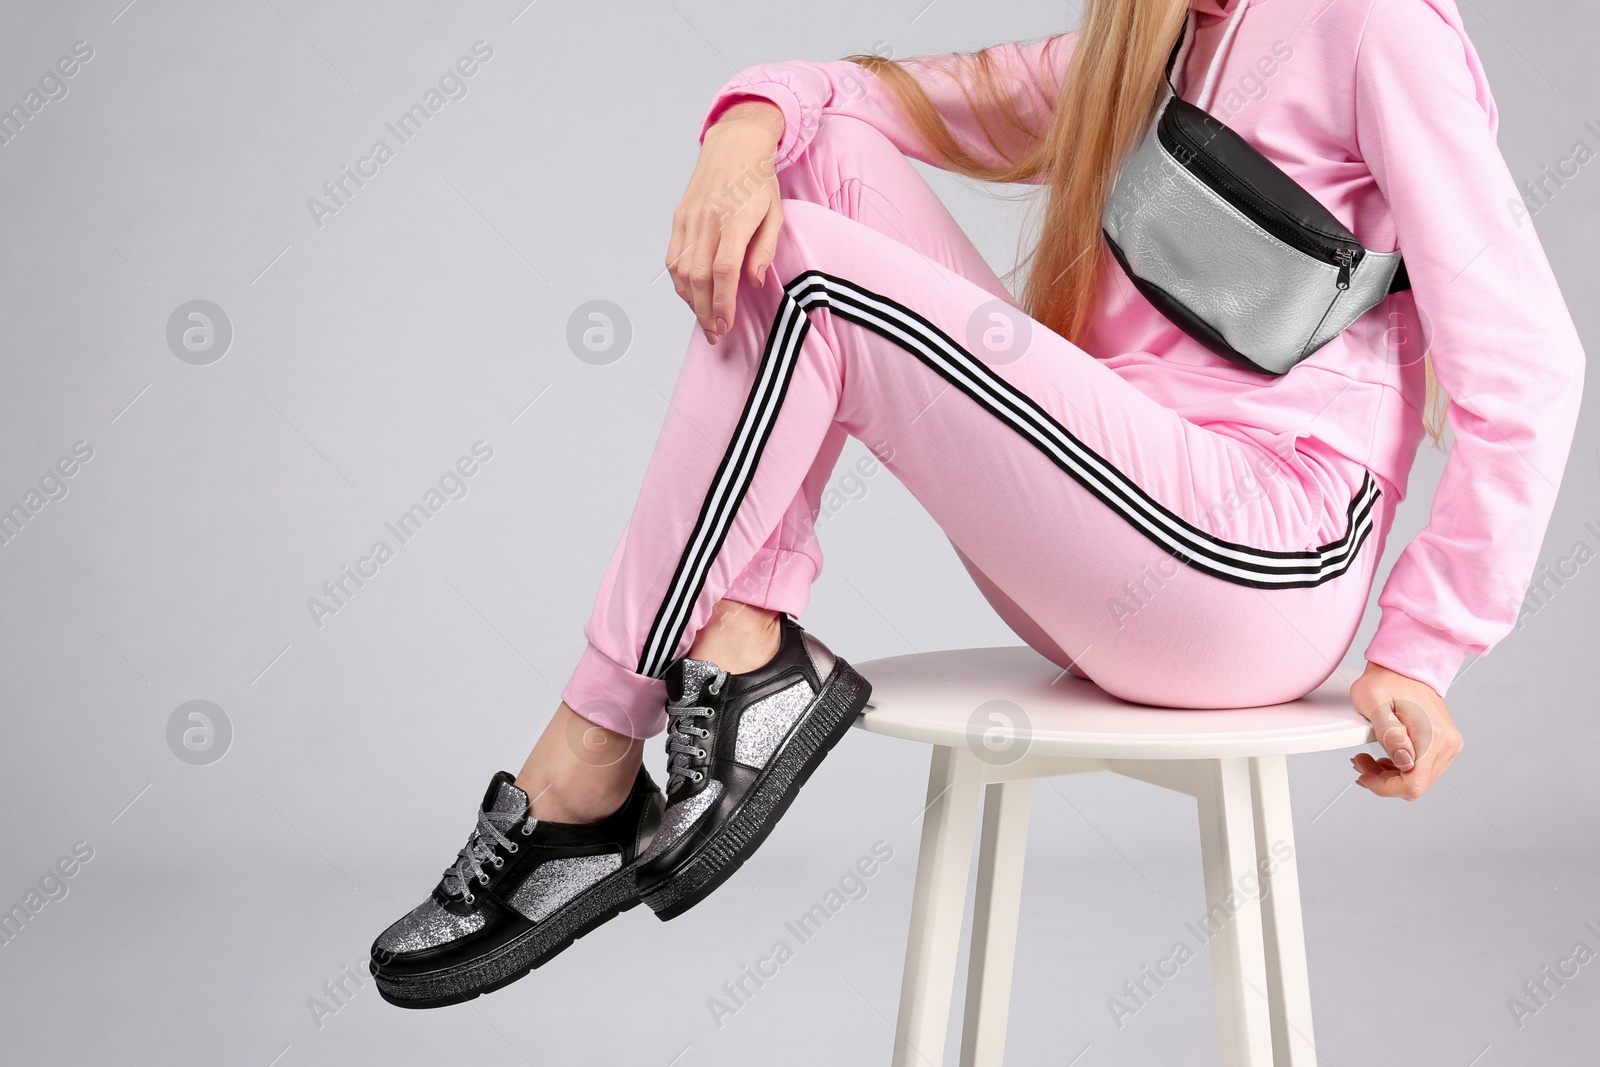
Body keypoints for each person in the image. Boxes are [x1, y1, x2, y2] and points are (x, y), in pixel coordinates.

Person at [368, 0, 1585, 1008]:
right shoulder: (1158, 33)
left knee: (810, 274)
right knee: (813, 168)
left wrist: (1429, 644)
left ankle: (594, 746)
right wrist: (740, 129)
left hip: (1248, 571)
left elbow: (1529, 358)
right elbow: (855, 105)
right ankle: (737, 641)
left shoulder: (1375, 24)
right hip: (1102, 550)